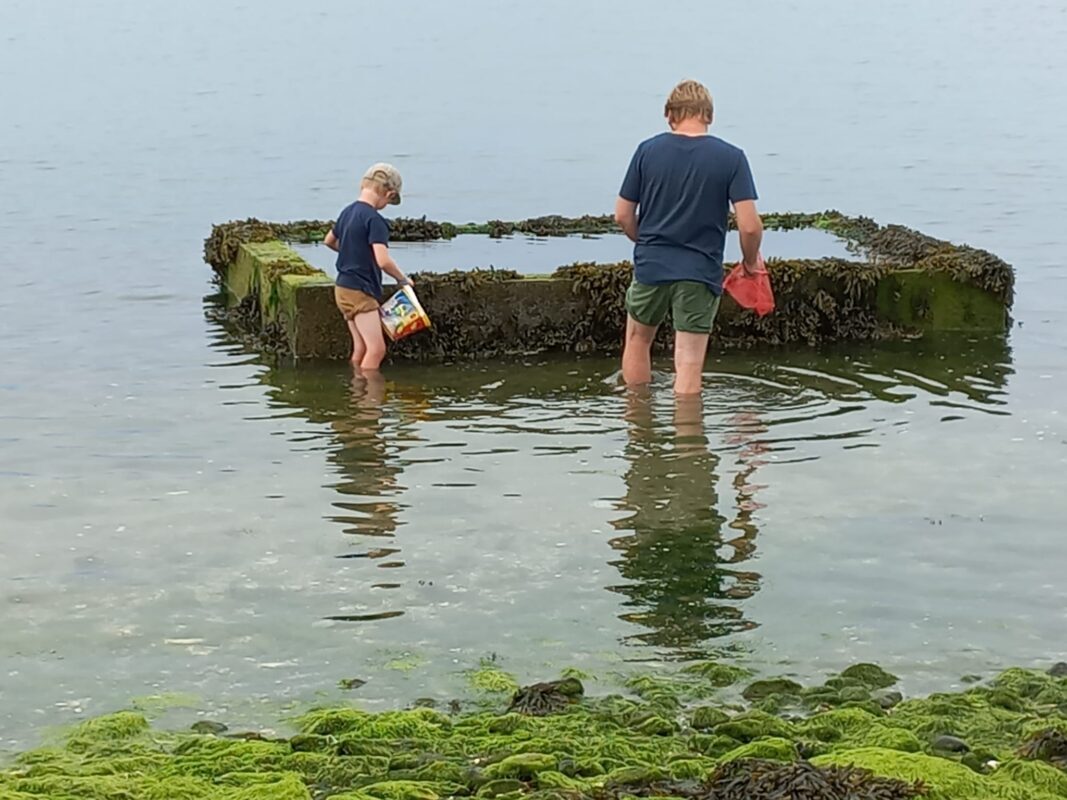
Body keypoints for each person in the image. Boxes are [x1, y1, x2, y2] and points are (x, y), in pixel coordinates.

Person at [614, 79, 764, 395]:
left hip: (651, 266)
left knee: (638, 341)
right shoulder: (732, 158)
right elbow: (749, 226)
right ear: (708, 115)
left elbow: (622, 215)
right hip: (700, 270)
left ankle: (639, 431)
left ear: (669, 114)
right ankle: (689, 440)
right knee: (689, 362)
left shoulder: (647, 151)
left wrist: (644, 241)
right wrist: (750, 262)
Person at [324, 163, 413, 370]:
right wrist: (403, 279)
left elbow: (329, 241)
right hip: (360, 292)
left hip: (343, 288)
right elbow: (383, 261)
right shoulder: (375, 220)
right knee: (376, 350)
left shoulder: (347, 212)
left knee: (361, 348)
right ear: (389, 194)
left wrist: (353, 254)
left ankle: (356, 391)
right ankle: (369, 399)